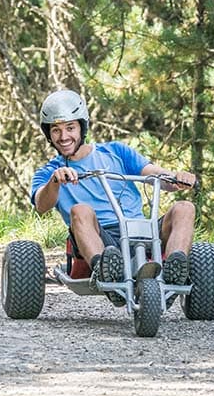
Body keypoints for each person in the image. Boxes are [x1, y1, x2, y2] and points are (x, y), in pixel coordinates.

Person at [30, 89, 197, 297]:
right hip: (102, 238)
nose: (64, 137)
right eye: (56, 130)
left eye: (70, 128)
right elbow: (41, 205)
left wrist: (177, 177)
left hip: (142, 232)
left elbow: (155, 175)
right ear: (48, 134)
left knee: (185, 208)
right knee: (80, 210)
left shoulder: (116, 152)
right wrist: (55, 181)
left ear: (82, 127)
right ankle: (106, 271)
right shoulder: (48, 173)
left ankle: (174, 269)